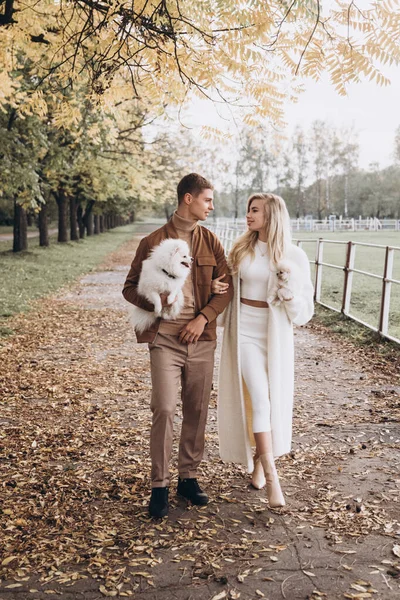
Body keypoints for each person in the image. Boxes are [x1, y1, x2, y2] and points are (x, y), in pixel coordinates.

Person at [122, 173, 233, 518]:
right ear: (188, 199)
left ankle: (188, 477)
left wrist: (203, 318)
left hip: (201, 339)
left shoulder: (210, 241)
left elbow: (227, 283)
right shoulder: (153, 242)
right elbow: (129, 288)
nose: (211, 206)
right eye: (207, 200)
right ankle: (159, 484)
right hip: (164, 340)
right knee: (165, 408)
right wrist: (155, 298)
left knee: (196, 409)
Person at [213, 193, 314, 507]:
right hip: (244, 332)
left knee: (269, 401)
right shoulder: (242, 250)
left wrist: (288, 295)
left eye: (254, 210)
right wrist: (217, 289)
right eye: (248, 210)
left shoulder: (294, 256)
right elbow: (226, 287)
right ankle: (272, 476)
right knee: (258, 397)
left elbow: (303, 314)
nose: (248, 215)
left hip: (275, 336)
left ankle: (258, 461)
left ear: (272, 214)